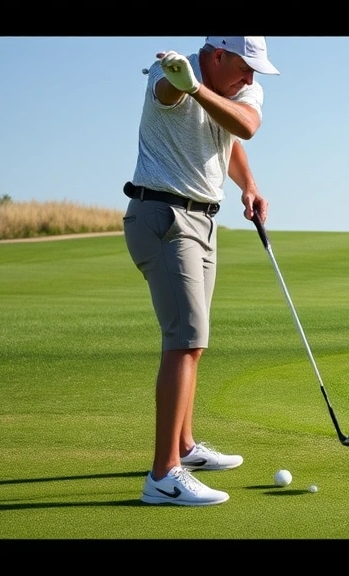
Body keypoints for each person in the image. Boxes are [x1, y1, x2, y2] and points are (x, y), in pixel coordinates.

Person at [123, 37, 280, 506]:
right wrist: (183, 83)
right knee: (186, 341)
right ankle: (163, 475)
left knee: (193, 342)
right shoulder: (170, 73)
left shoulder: (238, 88)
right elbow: (168, 93)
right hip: (164, 217)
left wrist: (249, 185)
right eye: (245, 67)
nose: (250, 78)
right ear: (217, 56)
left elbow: (241, 129)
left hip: (204, 222)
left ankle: (185, 447)